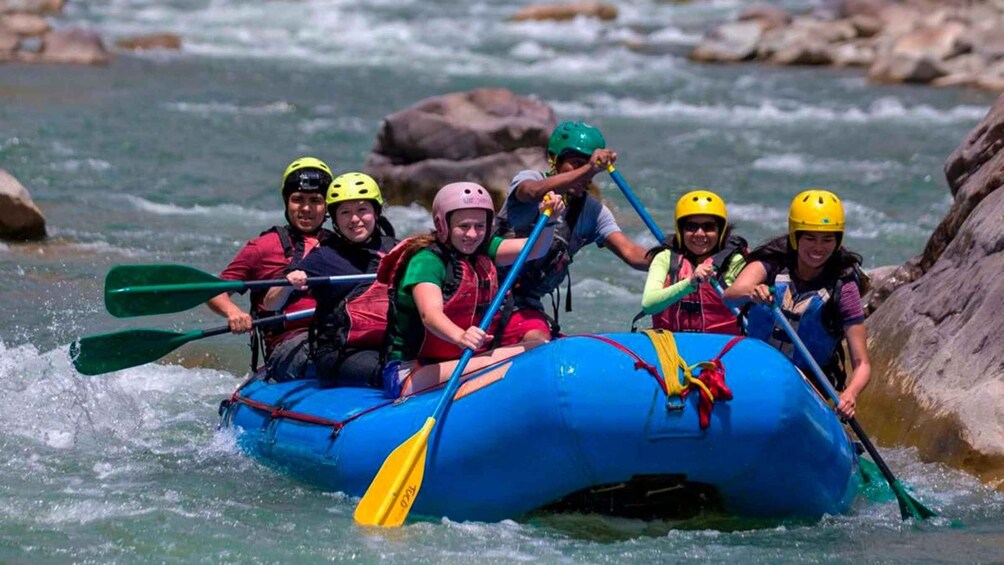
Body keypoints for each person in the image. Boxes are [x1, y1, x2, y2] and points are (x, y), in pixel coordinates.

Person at [384, 181, 565, 398]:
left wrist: (549, 221)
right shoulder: (426, 261)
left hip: (459, 360)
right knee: (523, 355)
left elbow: (535, 249)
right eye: (464, 226)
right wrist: (460, 336)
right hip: (411, 373)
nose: (472, 234)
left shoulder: (483, 249)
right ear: (442, 225)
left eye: (480, 226)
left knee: (539, 346)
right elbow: (430, 315)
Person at [493, 121, 649, 343]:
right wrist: (590, 168)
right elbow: (533, 192)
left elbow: (632, 253)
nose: (585, 175)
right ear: (553, 160)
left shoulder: (592, 211)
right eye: (576, 164)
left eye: (589, 167)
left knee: (538, 340)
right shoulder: (531, 180)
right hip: (485, 295)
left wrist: (676, 259)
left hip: (523, 307)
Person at [723, 189, 870, 418]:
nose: (818, 247)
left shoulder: (844, 286)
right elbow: (731, 295)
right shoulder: (772, 262)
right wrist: (753, 291)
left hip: (809, 385)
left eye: (827, 239)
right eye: (810, 238)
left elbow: (862, 364)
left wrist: (850, 394)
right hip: (754, 370)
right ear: (795, 236)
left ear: (838, 240)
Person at [266, 172, 397, 389]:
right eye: (345, 212)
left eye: (362, 210)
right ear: (335, 220)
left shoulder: (395, 249)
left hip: (387, 345)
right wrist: (288, 284)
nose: (355, 219)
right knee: (395, 372)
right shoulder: (323, 257)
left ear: (376, 212)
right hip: (340, 353)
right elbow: (272, 304)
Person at [207, 157, 333, 381]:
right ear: (287, 202)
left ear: (327, 205)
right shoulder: (263, 247)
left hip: (336, 335)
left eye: (315, 200)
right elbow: (214, 291)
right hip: (290, 346)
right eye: (298, 200)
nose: (306, 208)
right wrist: (233, 312)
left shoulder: (340, 245)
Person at [639, 190, 747, 334]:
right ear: (681, 230)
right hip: (671, 344)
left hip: (722, 347)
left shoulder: (734, 262)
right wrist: (690, 282)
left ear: (720, 231)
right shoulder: (665, 258)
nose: (700, 234)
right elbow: (649, 305)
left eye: (708, 227)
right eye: (691, 227)